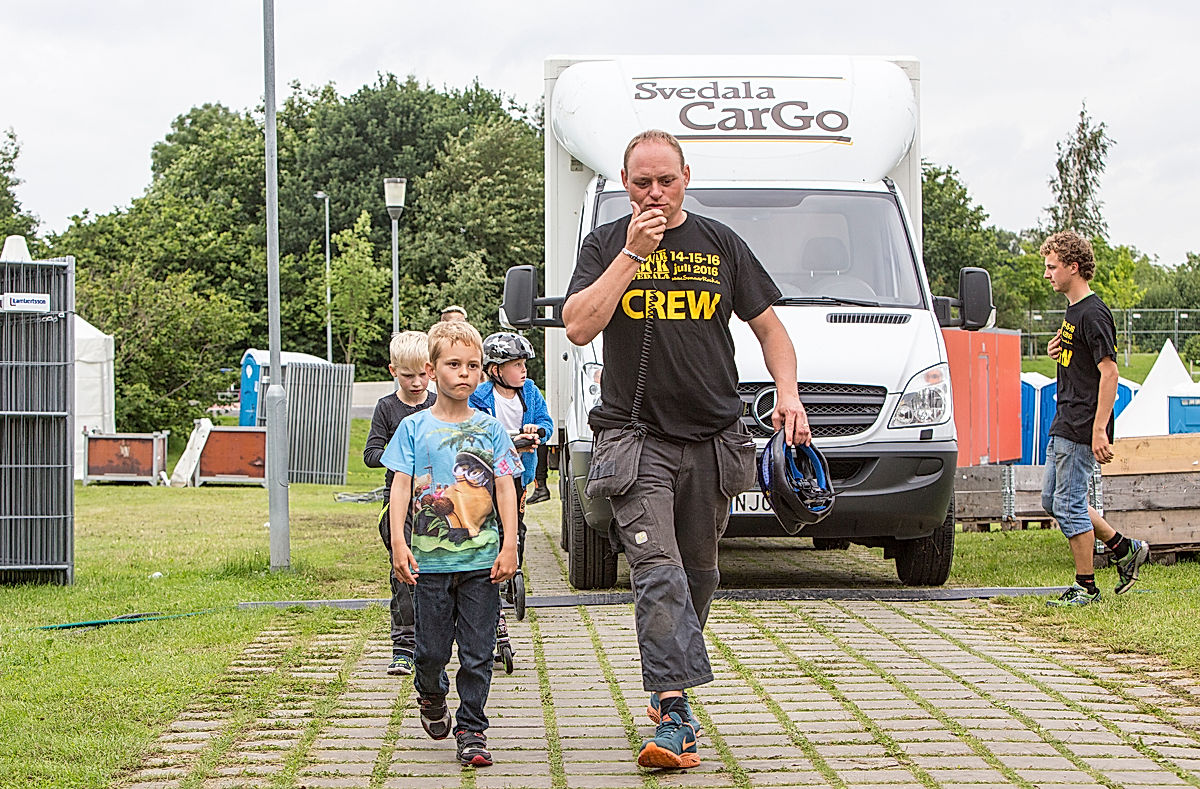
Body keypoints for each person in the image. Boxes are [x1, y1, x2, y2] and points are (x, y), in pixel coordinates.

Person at [561, 129, 810, 770]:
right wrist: (630, 259)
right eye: (642, 182)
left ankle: (671, 675)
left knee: (699, 576)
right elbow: (579, 324)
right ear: (624, 183)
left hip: (712, 439)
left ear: (686, 177)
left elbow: (770, 327)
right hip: (635, 439)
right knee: (659, 572)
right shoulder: (604, 245)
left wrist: (789, 393)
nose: (655, 193)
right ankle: (674, 712)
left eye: (665, 181)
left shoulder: (722, 244)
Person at [381, 320, 523, 768]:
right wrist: (401, 545)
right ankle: (431, 694)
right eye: (454, 364)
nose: (465, 373)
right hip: (428, 565)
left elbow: (504, 487)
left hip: (483, 562)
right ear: (431, 368)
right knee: (429, 653)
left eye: (474, 366)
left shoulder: (490, 429)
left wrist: (511, 545)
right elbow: (400, 487)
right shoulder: (413, 429)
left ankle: (472, 730)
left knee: (479, 652)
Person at [1041, 230, 1149, 606]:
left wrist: (1099, 429)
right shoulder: (1073, 312)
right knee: (1051, 499)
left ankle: (1086, 587)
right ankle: (1124, 547)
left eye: (1052, 267)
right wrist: (1060, 350)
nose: (1046, 274)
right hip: (1065, 416)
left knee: (1068, 503)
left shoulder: (1093, 312)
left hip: (1084, 423)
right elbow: (1084, 362)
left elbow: (1110, 373)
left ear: (1074, 267)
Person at [362, 330, 436, 675]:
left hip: (438, 504)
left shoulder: (439, 403)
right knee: (404, 574)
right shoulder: (387, 408)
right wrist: (403, 455)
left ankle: (438, 640)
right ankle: (403, 646)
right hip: (399, 504)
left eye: (423, 374)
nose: (417, 382)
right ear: (393, 371)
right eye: (408, 375)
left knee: (440, 574)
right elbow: (371, 454)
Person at [469, 331, 554, 567]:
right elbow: (471, 429)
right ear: (496, 370)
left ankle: (513, 567)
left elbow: (546, 423)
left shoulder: (530, 392)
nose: (524, 370)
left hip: (518, 474)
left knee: (515, 524)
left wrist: (537, 431)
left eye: (524, 364)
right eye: (517, 365)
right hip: (487, 474)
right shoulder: (478, 397)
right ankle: (485, 568)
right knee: (487, 523)